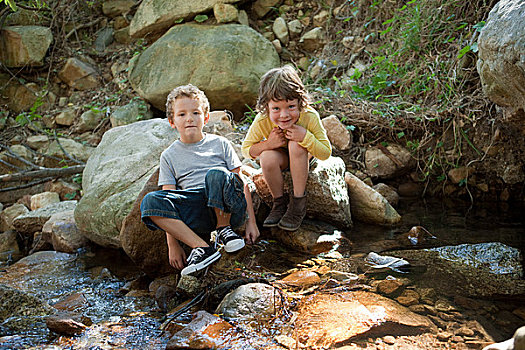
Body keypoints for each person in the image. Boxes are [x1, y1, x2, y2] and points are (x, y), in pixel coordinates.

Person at [140, 84, 259, 276]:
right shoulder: (169, 156)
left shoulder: (220, 144)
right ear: (172, 122)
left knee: (216, 174)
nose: (189, 119)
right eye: (182, 115)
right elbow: (168, 197)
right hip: (197, 212)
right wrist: (173, 244)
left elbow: (241, 182)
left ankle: (223, 229)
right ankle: (202, 248)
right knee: (150, 201)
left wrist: (251, 222)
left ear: (205, 117)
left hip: (228, 208)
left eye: (195, 112)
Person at [241, 65, 331, 231]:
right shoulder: (263, 120)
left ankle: (298, 204)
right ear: (266, 106)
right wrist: (268, 144)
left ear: (300, 103)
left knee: (296, 144)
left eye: (290, 107)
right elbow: (246, 150)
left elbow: (326, 152)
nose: (284, 115)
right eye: (276, 108)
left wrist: (305, 136)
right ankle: (279, 203)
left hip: (304, 157)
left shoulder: (309, 116)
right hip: (282, 159)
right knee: (267, 155)